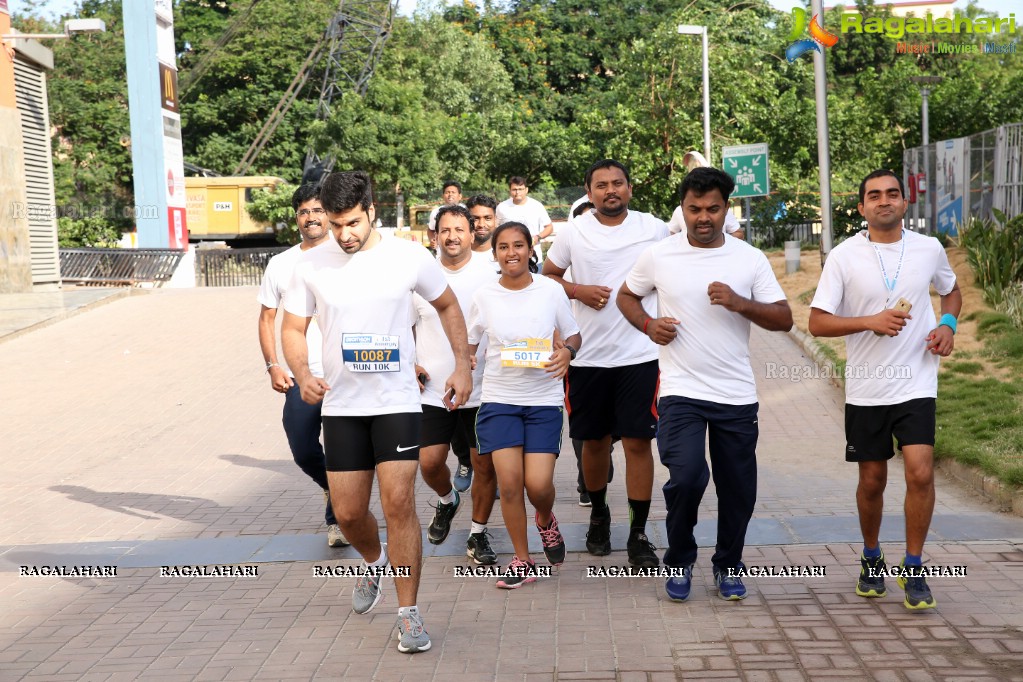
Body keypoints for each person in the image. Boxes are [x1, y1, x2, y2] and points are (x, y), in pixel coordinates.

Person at [282, 170, 472, 654]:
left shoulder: (408, 258)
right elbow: (292, 326)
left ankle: (409, 614)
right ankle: (374, 561)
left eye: (351, 223)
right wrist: (302, 372)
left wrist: (463, 365)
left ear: (371, 212)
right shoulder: (311, 265)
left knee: (398, 502)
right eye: (335, 223)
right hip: (342, 406)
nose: (342, 234)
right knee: (347, 513)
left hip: (397, 403)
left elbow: (448, 306)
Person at [617, 167, 793, 602]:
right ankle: (680, 558)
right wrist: (647, 324)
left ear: (725, 209)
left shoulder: (748, 258)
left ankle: (729, 563)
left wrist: (739, 302)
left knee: (738, 490)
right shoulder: (660, 255)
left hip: (735, 394)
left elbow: (784, 318)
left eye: (712, 209)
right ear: (682, 208)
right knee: (689, 477)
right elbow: (626, 295)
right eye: (694, 208)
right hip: (681, 391)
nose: (703, 217)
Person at [808, 169, 961, 610]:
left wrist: (947, 325)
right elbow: (818, 322)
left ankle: (914, 568)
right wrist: (869, 321)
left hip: (916, 381)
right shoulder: (843, 256)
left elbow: (952, 293)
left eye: (892, 193)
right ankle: (872, 556)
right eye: (873, 195)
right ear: (861, 208)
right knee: (872, 480)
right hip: (867, 389)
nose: (884, 201)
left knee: (920, 472)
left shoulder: (928, 248)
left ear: (904, 202)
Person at [543, 159, 666, 568]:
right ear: (589, 191)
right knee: (593, 445)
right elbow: (548, 277)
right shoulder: (573, 232)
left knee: (636, 443)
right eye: (601, 185)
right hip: (587, 358)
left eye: (618, 183)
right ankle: (599, 515)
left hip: (640, 355)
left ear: (629, 188)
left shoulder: (653, 227)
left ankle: (638, 533)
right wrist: (577, 289)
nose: (610, 190)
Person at [468, 221, 580, 588]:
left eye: (519, 245)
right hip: (499, 400)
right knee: (512, 484)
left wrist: (567, 352)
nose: (511, 252)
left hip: (543, 400)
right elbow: (469, 341)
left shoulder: (549, 290)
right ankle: (522, 560)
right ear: (494, 252)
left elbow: (574, 334)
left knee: (538, 485)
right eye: (503, 246)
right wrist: (464, 361)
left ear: (532, 249)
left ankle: (545, 518)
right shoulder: (484, 296)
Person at [257, 184, 348, 548]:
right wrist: (272, 365)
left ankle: (338, 521)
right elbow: (267, 319)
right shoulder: (282, 264)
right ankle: (331, 486)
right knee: (303, 448)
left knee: (342, 449)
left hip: (345, 371)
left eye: (317, 210)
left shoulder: (346, 254)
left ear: (329, 214)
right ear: (296, 218)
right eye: (303, 212)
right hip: (300, 374)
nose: (311, 217)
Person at [413, 205, 500, 565]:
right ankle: (448, 500)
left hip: (484, 390)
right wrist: (411, 363)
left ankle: (478, 534)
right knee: (429, 463)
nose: (452, 236)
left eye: (459, 229)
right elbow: (403, 327)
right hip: (433, 390)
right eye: (445, 230)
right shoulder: (420, 277)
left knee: (485, 467)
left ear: (472, 233)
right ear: (435, 236)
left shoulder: (490, 274)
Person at [496, 176, 554, 263]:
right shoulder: (502, 207)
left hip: (533, 258)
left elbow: (549, 227)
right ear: (510, 190)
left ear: (526, 190)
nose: (517, 192)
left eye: (520, 189)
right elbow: (496, 227)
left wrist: (537, 237)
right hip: (509, 258)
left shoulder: (536, 206)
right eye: (514, 189)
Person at [667, 204, 745, 241]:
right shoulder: (679, 210)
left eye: (713, 210)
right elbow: (671, 232)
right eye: (694, 210)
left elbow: (738, 233)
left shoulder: (722, 209)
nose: (703, 218)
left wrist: (722, 244)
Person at [427, 180, 464, 249]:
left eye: (453, 192)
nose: (450, 195)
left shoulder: (466, 211)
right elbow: (430, 229)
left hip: (462, 254)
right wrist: (432, 240)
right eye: (447, 192)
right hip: (442, 255)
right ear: (443, 196)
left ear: (460, 196)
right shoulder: (435, 212)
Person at [466, 194, 498, 264]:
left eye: (488, 218)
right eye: (475, 219)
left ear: (495, 220)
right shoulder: (456, 255)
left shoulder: (505, 255)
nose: (481, 224)